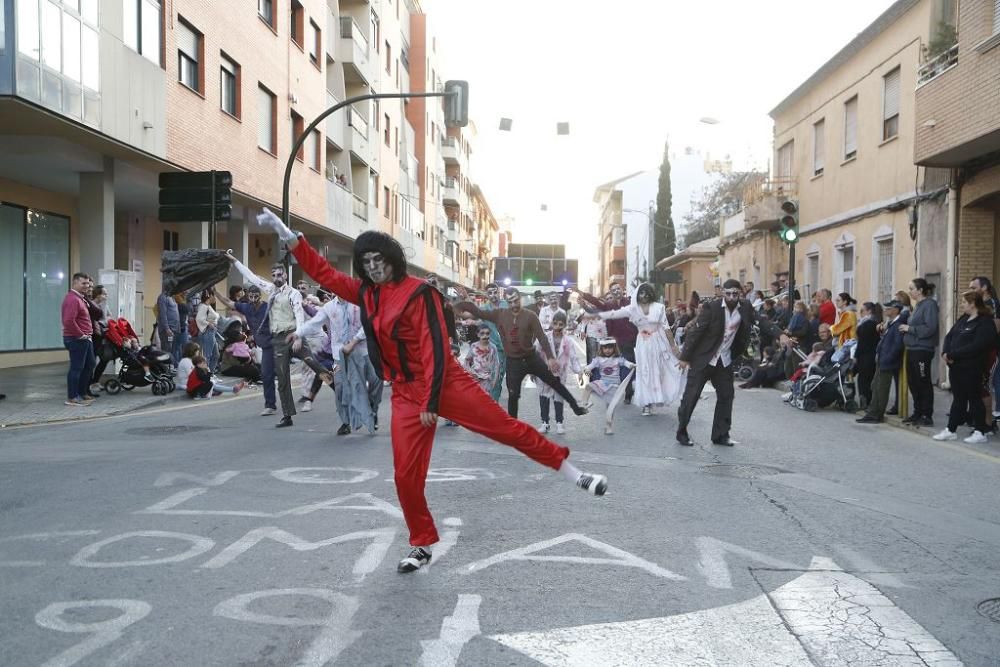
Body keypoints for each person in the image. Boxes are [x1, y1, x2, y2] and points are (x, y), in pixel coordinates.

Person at [258, 208, 609, 574]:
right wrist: (288, 234)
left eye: (379, 260)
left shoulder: (418, 293)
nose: (374, 267)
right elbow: (325, 273)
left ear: (392, 259)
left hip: (442, 381)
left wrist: (432, 399)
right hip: (406, 392)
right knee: (405, 475)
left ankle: (574, 473)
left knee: (506, 429)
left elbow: (435, 348)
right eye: (367, 262)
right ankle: (422, 543)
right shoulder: (367, 293)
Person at [675, 278, 782, 446]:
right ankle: (682, 431)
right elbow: (696, 333)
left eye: (736, 294)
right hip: (704, 358)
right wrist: (684, 358)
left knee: (727, 395)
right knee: (692, 395)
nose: (732, 297)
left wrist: (780, 334)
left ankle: (721, 434)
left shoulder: (746, 307)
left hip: (723, 360)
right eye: (729, 293)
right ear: (723, 293)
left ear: (740, 294)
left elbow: (762, 321)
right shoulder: (712, 308)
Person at [457, 287, 589, 419]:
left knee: (554, 382)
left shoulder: (530, 316)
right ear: (507, 302)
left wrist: (550, 357)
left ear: (519, 298)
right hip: (513, 362)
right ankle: (512, 428)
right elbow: (478, 312)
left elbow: (542, 337)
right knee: (513, 396)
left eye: (515, 300)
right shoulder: (499, 314)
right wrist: (459, 304)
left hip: (531, 358)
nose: (513, 305)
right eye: (510, 302)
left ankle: (576, 407)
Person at [230, 257, 306, 428]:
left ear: (285, 275)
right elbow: (252, 277)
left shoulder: (294, 294)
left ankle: (341, 394)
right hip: (277, 341)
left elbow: (300, 315)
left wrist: (299, 336)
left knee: (315, 364)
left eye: (280, 274)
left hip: (296, 335)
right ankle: (281, 411)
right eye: (274, 275)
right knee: (279, 376)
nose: (277, 277)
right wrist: (234, 261)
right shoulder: (271, 290)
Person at [593, 283, 685, 416]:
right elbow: (614, 313)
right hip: (642, 344)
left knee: (656, 371)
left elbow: (666, 328)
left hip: (657, 343)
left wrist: (673, 346)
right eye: (642, 293)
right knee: (644, 372)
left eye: (647, 293)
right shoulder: (633, 309)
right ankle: (646, 404)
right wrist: (597, 315)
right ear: (638, 294)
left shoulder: (659, 308)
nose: (644, 296)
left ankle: (655, 399)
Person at [931, 290, 995, 443]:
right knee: (958, 399)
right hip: (956, 367)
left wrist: (954, 355)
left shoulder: (985, 322)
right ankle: (951, 429)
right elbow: (950, 336)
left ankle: (980, 432)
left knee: (974, 398)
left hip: (972, 367)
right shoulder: (964, 318)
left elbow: (978, 345)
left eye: (965, 302)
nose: (962, 305)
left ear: (973, 304)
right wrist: (946, 352)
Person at [216, 284, 278, 417]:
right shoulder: (247, 308)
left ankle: (286, 404)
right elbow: (229, 302)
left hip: (275, 343)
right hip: (264, 346)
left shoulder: (267, 307)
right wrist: (216, 292)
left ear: (260, 296)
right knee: (267, 375)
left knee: (278, 375)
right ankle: (270, 405)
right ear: (248, 297)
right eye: (251, 296)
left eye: (256, 296)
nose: (254, 299)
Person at [576, 283, 640, 404]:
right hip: (614, 341)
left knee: (628, 365)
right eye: (613, 290)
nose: (616, 291)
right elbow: (595, 303)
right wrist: (581, 293)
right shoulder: (609, 305)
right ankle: (617, 389)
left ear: (622, 290)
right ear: (610, 293)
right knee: (617, 366)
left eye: (618, 289)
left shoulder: (631, 302)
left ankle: (628, 393)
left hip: (629, 340)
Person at [857, 300, 908, 424]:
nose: (885, 310)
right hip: (881, 359)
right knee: (875, 386)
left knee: (881, 388)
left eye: (888, 308)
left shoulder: (897, 325)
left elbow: (897, 345)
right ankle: (872, 411)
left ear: (896, 310)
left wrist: (887, 358)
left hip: (887, 361)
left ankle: (876, 414)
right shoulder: (890, 324)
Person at [899, 278, 939, 426]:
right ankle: (917, 412)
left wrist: (910, 329)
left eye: (911, 289)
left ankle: (927, 415)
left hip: (922, 349)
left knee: (923, 381)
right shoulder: (917, 306)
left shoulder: (929, 305)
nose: (909, 292)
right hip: (912, 348)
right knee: (913, 382)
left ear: (920, 290)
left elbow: (931, 327)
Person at [536, 312, 583, 434]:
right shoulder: (544, 337)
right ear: (552, 323)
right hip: (544, 372)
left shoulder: (568, 341)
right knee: (544, 397)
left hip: (560, 374)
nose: (557, 326)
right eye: (555, 323)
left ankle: (559, 423)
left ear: (565, 325)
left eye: (561, 324)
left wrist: (579, 372)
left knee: (558, 398)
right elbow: (535, 353)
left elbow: (574, 358)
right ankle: (545, 422)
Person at [580, 338, 636, 435]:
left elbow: (627, 364)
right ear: (601, 349)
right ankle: (585, 403)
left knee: (610, 409)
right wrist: (587, 371)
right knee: (589, 386)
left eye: (610, 348)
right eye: (605, 348)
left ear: (614, 348)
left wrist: (632, 365)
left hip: (615, 386)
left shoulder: (618, 359)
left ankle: (608, 426)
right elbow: (588, 367)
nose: (607, 350)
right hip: (603, 383)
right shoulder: (598, 360)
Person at [969, 276, 1000, 429]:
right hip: (979, 352)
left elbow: (995, 329)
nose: (971, 291)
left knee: (989, 384)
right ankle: (976, 416)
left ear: (984, 288)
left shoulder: (992, 303)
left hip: (992, 351)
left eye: (974, 288)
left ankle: (992, 420)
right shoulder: (979, 305)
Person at [61, 273, 97, 407]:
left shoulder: (80, 298)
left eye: (88, 283)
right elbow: (68, 321)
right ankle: (72, 397)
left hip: (85, 339)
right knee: (76, 368)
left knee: (90, 365)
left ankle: (82, 393)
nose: (87, 286)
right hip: (76, 339)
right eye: (83, 283)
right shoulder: (72, 299)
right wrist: (80, 334)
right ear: (75, 283)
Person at [854, 302, 882, 409]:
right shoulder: (875, 322)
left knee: (863, 380)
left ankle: (865, 401)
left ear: (869, 311)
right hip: (872, 355)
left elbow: (861, 343)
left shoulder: (867, 324)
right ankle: (868, 401)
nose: (860, 313)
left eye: (862, 311)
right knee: (869, 379)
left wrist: (856, 356)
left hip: (865, 356)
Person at [464, 324, 500, 395]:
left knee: (485, 401)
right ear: (478, 334)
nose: (485, 336)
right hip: (475, 379)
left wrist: (494, 381)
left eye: (487, 333)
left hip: (487, 381)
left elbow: (497, 365)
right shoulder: (474, 346)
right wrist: (470, 372)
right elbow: (467, 361)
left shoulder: (493, 348)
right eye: (482, 333)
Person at [195, 289, 221, 373]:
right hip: (207, 332)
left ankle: (210, 373)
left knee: (215, 355)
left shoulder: (208, 306)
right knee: (207, 355)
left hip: (211, 333)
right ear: (210, 296)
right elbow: (198, 319)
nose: (215, 298)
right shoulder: (203, 306)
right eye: (214, 296)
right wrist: (209, 323)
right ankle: (205, 374)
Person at [156, 289, 181, 364]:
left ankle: (170, 367)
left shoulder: (172, 297)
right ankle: (165, 369)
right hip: (167, 330)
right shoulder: (163, 297)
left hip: (174, 329)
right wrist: (167, 328)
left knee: (172, 351)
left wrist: (178, 329)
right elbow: (163, 315)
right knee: (166, 351)